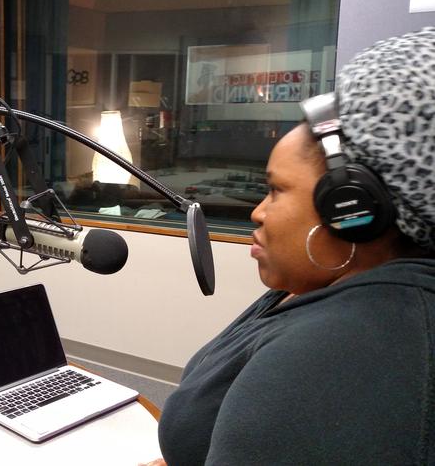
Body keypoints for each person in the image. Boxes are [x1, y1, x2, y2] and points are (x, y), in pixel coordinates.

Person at [144, 27, 435, 465]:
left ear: (350, 206)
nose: (258, 212)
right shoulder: (322, 286)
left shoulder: (337, 359)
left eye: (277, 190)